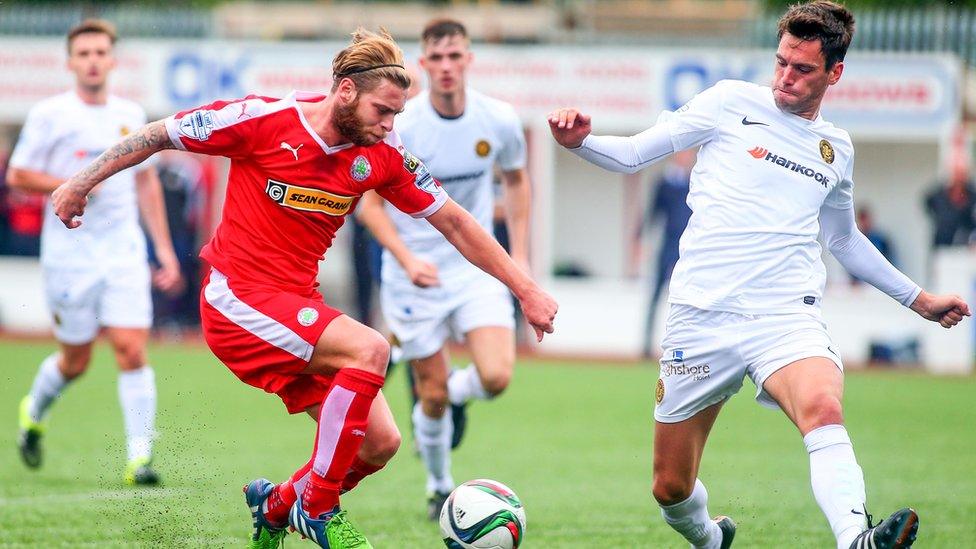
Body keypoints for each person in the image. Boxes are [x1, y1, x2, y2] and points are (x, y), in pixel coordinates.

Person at [51, 27, 557, 549]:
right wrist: (77, 183)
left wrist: (526, 289)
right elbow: (156, 134)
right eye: (382, 111)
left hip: (294, 309)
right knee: (371, 349)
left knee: (378, 443)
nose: (389, 126)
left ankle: (274, 507)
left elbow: (456, 222)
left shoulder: (382, 152)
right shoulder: (262, 120)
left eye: (396, 115)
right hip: (236, 301)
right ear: (345, 92)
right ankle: (316, 507)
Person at [548, 2, 969, 548]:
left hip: (784, 312)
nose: (785, 78)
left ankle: (854, 539)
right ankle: (709, 538)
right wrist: (580, 142)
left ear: (834, 72)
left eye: (802, 69)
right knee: (670, 487)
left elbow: (842, 239)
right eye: (781, 62)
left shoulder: (835, 149)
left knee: (823, 407)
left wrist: (918, 299)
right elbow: (633, 155)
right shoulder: (729, 102)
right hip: (701, 315)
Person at [356, 18, 533, 521]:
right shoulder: (401, 126)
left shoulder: (497, 118)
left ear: (469, 59)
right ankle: (439, 487)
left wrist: (518, 253)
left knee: (496, 377)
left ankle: (454, 390)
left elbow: (517, 182)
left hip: (474, 266)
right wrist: (406, 258)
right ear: (423, 64)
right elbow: (368, 206)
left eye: (456, 56)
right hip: (414, 275)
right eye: (437, 58)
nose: (448, 67)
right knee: (428, 398)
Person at [9, 19, 181, 485]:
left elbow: (146, 184)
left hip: (123, 252)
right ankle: (34, 411)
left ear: (112, 60)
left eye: (100, 52)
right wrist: (73, 185)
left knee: (131, 349)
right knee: (75, 361)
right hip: (69, 255)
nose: (92, 61)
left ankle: (139, 460)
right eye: (83, 53)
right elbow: (18, 176)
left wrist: (163, 251)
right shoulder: (50, 114)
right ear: (70, 63)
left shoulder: (130, 112)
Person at [630, 149, 694, 358]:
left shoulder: (696, 182)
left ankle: (687, 347)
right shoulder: (665, 183)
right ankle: (646, 345)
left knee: (689, 297)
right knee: (656, 294)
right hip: (668, 244)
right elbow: (651, 213)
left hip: (691, 247)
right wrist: (640, 241)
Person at [924, 155, 976, 248]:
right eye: (956, 173)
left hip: (965, 246)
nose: (959, 177)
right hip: (942, 243)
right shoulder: (938, 195)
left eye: (961, 173)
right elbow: (928, 205)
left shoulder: (972, 195)